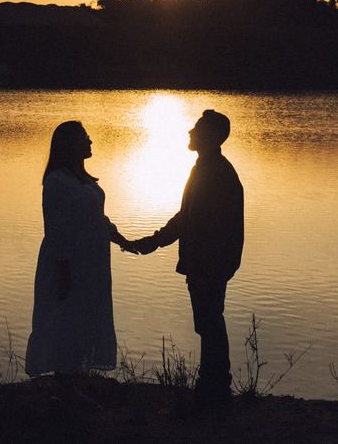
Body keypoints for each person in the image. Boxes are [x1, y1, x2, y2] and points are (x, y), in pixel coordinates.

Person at [129, 109, 244, 405]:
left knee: (210, 322)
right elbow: (187, 217)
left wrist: (203, 268)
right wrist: (154, 242)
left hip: (209, 264)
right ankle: (213, 386)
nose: (190, 132)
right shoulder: (205, 168)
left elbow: (216, 228)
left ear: (211, 136)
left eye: (196, 128)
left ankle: (215, 388)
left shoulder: (217, 173)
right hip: (205, 263)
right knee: (208, 322)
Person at [25, 121, 132, 377]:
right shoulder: (57, 182)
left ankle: (75, 381)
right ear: (70, 144)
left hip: (90, 263)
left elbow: (96, 219)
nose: (90, 141)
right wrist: (64, 273)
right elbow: (56, 229)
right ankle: (64, 385)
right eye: (85, 137)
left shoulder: (81, 179)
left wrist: (122, 240)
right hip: (70, 264)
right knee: (66, 319)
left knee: (85, 318)